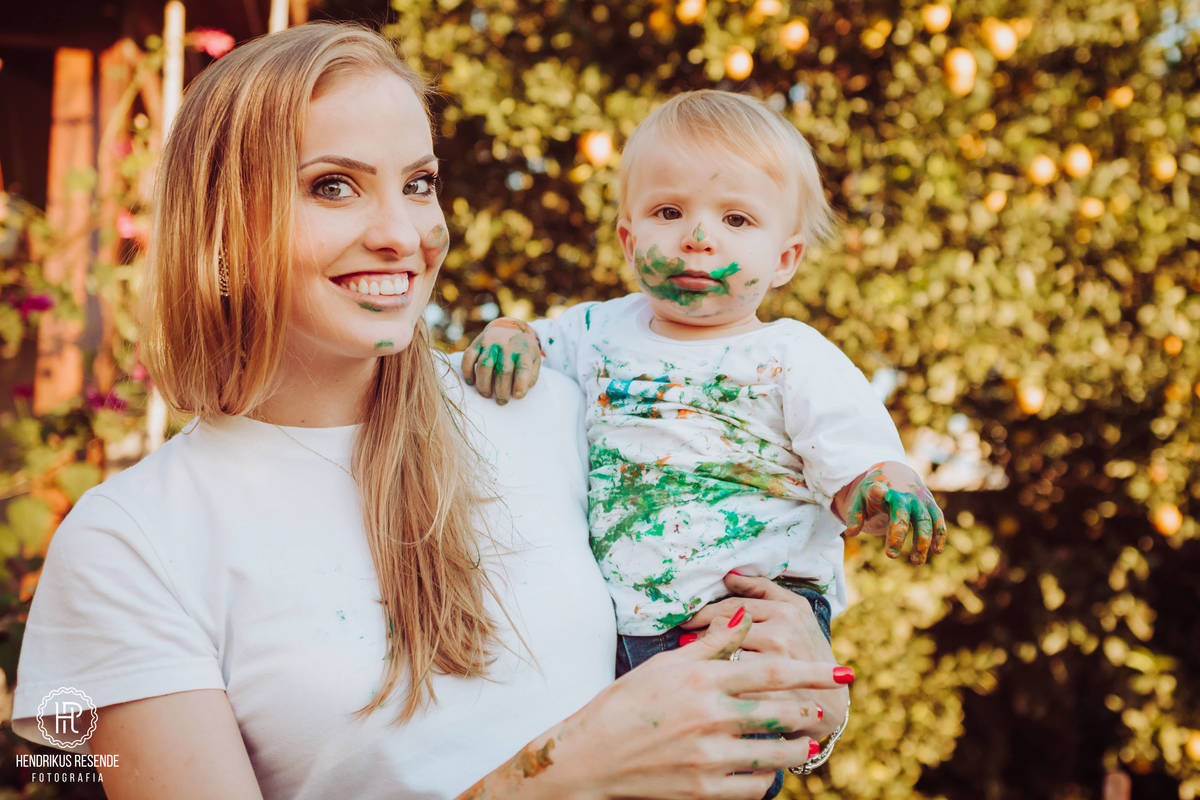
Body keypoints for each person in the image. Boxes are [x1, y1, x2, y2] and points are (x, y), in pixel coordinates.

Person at [10, 24, 848, 800]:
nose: (400, 232)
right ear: (222, 224)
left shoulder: (547, 411)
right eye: (333, 186)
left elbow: (720, 631)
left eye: (418, 184)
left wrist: (800, 698)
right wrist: (560, 776)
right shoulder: (132, 540)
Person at [463, 89, 949, 776]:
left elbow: (853, 453)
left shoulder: (791, 355)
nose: (699, 236)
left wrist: (882, 488)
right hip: (617, 627)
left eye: (736, 218)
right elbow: (532, 338)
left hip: (746, 614)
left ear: (784, 259)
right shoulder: (597, 331)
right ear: (630, 240)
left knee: (712, 780)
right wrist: (511, 336)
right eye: (669, 212)